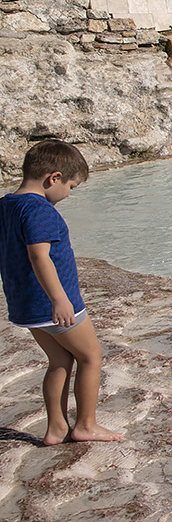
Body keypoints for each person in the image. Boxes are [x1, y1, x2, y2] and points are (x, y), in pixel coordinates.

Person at [0, 141, 122, 444]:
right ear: (53, 178)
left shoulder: (6, 205)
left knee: (59, 361)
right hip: (51, 303)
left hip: (26, 305)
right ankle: (86, 425)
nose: (68, 194)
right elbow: (39, 256)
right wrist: (59, 298)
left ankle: (56, 427)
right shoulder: (39, 210)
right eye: (71, 186)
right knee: (91, 355)